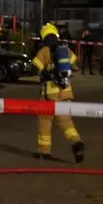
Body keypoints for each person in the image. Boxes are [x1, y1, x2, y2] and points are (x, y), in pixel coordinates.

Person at [30, 23, 85, 163]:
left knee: (44, 122)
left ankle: (44, 151)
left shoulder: (44, 51)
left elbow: (34, 68)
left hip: (49, 95)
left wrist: (44, 73)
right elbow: (76, 65)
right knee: (67, 123)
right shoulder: (65, 49)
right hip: (65, 93)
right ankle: (76, 142)